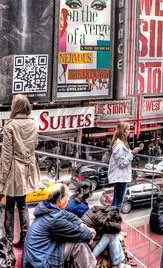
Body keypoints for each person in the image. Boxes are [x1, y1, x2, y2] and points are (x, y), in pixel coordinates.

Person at [21, 183, 96, 268]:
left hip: (38, 256)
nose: (68, 199)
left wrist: (81, 224)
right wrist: (90, 234)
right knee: (79, 244)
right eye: (67, 196)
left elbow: (68, 215)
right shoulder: (54, 219)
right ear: (60, 199)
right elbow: (82, 233)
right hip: (40, 263)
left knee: (76, 240)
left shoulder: (49, 208)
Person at [1, 94, 40, 246]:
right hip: (28, 168)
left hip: (13, 171)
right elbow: (34, 145)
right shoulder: (33, 124)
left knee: (10, 205)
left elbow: (6, 155)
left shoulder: (10, 126)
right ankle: (25, 238)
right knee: (23, 204)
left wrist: (2, 178)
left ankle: (8, 240)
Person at [108, 122, 139, 212]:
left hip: (121, 177)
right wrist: (133, 153)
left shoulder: (121, 144)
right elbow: (122, 163)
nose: (129, 131)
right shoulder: (119, 146)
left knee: (116, 200)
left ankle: (110, 219)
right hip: (120, 177)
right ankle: (113, 220)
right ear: (123, 131)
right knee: (118, 202)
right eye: (128, 129)